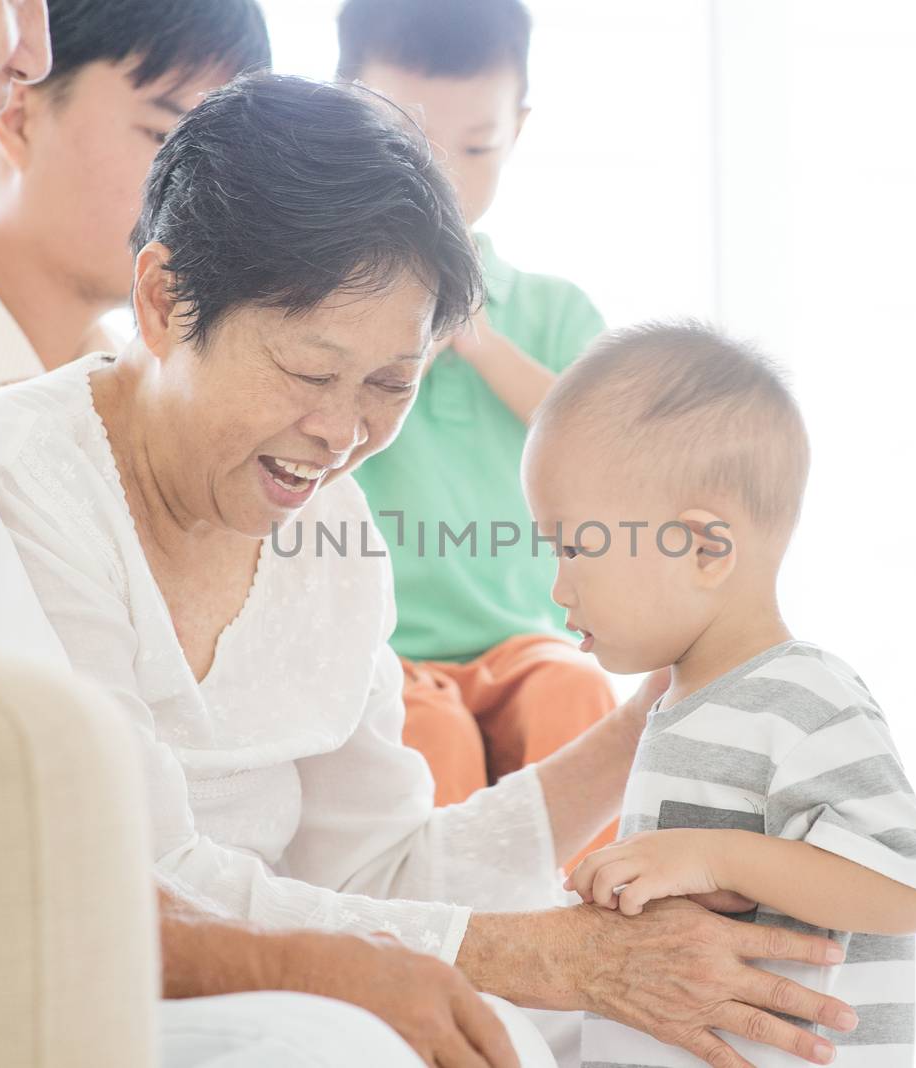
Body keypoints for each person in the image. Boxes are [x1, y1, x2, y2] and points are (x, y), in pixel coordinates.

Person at [0, 2, 535, 1065]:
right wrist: (309, 970)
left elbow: (61, 830)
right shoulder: (26, 446)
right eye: (9, 0)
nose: (32, 55)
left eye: (383, 383)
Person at [0, 72, 858, 1068]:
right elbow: (148, 887)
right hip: (110, 988)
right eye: (309, 373)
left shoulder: (333, 531)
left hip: (310, 984)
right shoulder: (15, 485)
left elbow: (380, 872)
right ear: (164, 302)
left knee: (635, 1037)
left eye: (391, 384)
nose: (340, 433)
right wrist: (540, 958)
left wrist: (657, 707)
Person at [522, 322, 916, 1067]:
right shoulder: (689, 707)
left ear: (704, 547)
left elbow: (903, 888)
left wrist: (713, 857)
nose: (557, 587)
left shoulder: (801, 696)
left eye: (574, 549)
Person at [337, 0, 620, 832]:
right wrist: (398, 355)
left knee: (577, 694)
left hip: (526, 637)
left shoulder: (555, 311)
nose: (445, 180)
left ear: (518, 130)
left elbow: (615, 457)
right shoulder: (324, 311)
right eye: (412, 148)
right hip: (387, 652)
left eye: (478, 147)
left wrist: (483, 344)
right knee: (429, 740)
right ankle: (457, 951)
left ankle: (592, 934)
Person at [0, 0, 270, 391]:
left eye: (222, 159)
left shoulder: (152, 401)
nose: (206, 191)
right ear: (19, 117)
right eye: (163, 137)